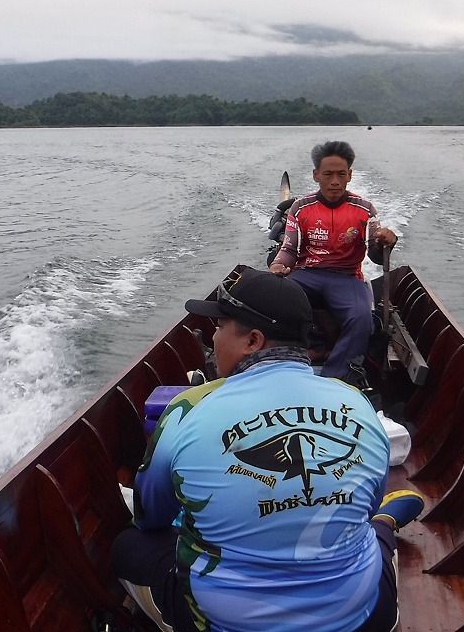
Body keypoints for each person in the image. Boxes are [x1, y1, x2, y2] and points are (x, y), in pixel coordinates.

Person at [110, 269, 423, 632]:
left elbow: (151, 517)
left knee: (129, 545)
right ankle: (388, 520)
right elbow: (363, 508)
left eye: (219, 326)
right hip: (363, 620)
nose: (212, 339)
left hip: (222, 624)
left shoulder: (188, 408)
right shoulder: (355, 401)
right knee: (369, 527)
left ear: (253, 340)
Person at [269, 141, 397, 381]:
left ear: (350, 175)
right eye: (328, 174)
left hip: (346, 276)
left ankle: (338, 377)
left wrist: (385, 242)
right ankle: (287, 364)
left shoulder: (365, 210)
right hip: (306, 274)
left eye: (341, 174)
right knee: (275, 303)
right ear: (316, 175)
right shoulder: (300, 208)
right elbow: (289, 249)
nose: (335, 181)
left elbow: (376, 256)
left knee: (362, 318)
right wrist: (277, 265)